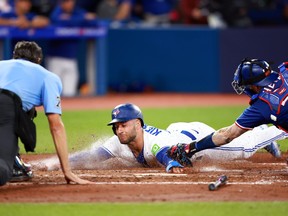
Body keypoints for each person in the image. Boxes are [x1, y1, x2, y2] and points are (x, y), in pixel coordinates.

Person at [41, 103, 285, 173]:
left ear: (137, 123)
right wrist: (56, 163)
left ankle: (272, 129)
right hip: (176, 130)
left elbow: (164, 154)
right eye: (116, 126)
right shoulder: (118, 142)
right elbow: (90, 156)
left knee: (244, 147)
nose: (119, 130)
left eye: (123, 125)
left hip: (196, 139)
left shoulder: (154, 142)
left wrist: (171, 165)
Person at [0, 40, 94, 186]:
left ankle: (13, 158)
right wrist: (67, 171)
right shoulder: (48, 76)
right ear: (38, 60)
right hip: (6, 107)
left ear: (14, 56)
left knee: (23, 109)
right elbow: (55, 125)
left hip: (7, 107)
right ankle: (11, 163)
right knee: (3, 172)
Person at [168, 58, 288, 166]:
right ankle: (262, 132)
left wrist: (190, 148)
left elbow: (227, 135)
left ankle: (263, 134)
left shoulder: (261, 106)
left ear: (255, 86)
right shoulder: (285, 71)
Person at [46, 0, 95, 97]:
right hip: (55, 60)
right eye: (67, 2)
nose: (70, 4)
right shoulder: (56, 12)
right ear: (61, 3)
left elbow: (94, 21)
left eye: (71, 1)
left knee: (70, 94)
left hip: (71, 60)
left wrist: (71, 19)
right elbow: (56, 21)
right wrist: (81, 19)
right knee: (53, 94)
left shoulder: (77, 12)